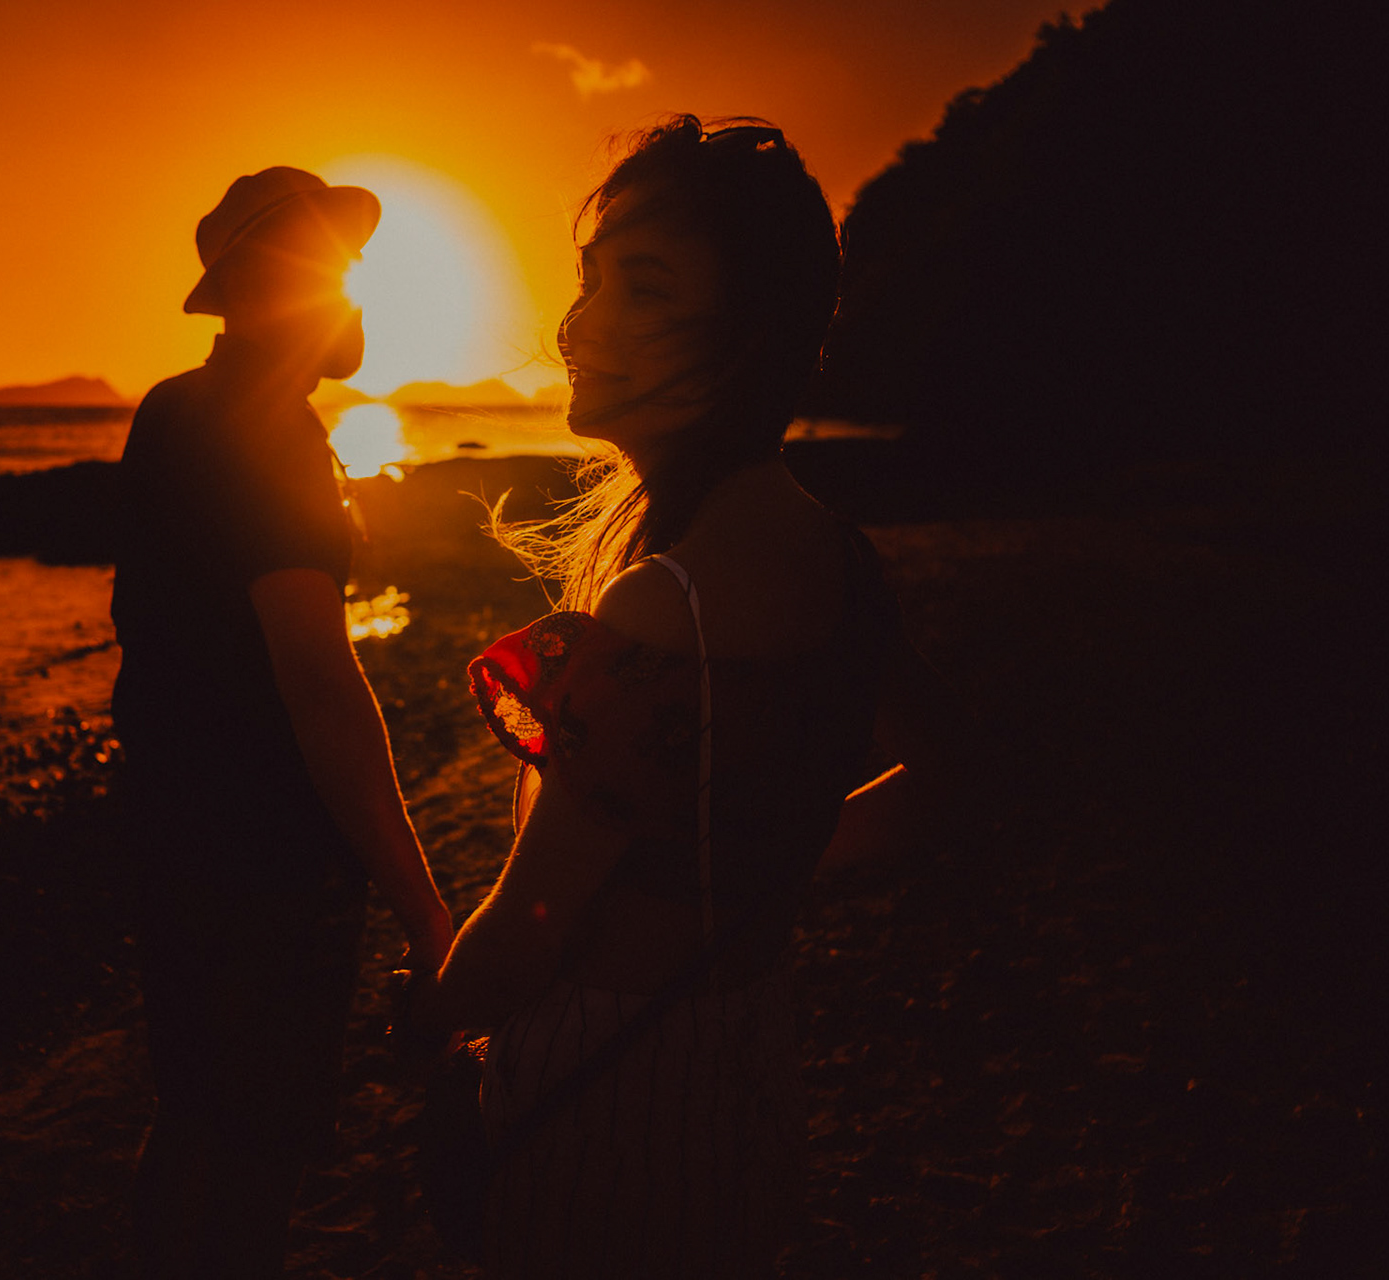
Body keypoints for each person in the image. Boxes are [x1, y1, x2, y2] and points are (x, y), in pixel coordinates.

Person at [403, 117, 968, 1278]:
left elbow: (528, 926)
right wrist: (751, 866)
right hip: (745, 1059)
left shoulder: (667, 601)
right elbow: (943, 786)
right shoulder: (833, 552)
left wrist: (418, 1040)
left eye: (643, 289)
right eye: (590, 279)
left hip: (606, 1093)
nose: (577, 325)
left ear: (747, 336)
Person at [110, 166, 454, 1279]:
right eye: (332, 271)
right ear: (266, 290)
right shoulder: (280, 443)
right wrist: (424, 903)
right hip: (265, 856)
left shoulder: (172, 410)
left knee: (196, 1108)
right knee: (259, 1144)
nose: (352, 294)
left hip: (167, 832)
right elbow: (319, 685)